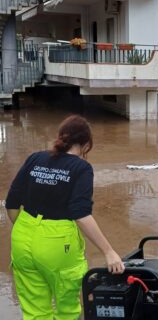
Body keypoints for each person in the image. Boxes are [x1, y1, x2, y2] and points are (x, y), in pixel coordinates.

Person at [5, 114, 125, 320]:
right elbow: (81, 214)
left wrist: (26, 228)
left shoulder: (35, 158)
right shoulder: (81, 168)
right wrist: (109, 251)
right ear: (86, 145)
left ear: (61, 137)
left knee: (35, 311)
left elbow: (12, 202)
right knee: (67, 310)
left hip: (22, 237)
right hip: (57, 244)